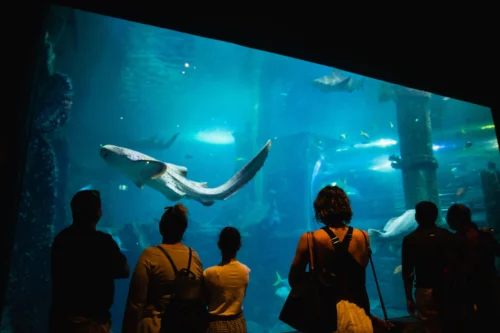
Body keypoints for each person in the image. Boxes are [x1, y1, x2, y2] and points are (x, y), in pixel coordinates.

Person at [288, 185, 388, 333]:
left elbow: (294, 279)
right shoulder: (363, 236)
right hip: (360, 313)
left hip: (325, 317)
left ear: (319, 209)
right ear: (347, 206)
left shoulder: (310, 239)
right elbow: (357, 278)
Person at [49, 190, 130, 333]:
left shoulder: (61, 239)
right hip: (92, 324)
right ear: (98, 213)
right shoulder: (104, 242)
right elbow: (124, 270)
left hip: (61, 321)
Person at [122, 203, 204, 333]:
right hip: (187, 326)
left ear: (161, 228)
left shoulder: (150, 255)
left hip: (156, 326)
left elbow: (136, 303)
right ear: (184, 229)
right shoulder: (194, 256)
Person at [445, 204, 500, 332]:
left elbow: (451, 267)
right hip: (490, 285)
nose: (447, 220)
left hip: (467, 288)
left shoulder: (454, 240)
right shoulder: (484, 235)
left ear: (454, 220)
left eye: (449, 217)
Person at [401, 201, 454, 333]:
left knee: (430, 327)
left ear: (416, 217)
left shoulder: (410, 239)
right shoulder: (447, 236)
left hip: (424, 290)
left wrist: (408, 297)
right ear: (436, 215)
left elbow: (408, 272)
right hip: (448, 289)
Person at [204, 227, 250, 333]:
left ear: (219, 245)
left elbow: (204, 300)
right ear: (239, 246)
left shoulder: (209, 273)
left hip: (215, 324)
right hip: (238, 323)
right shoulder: (246, 271)